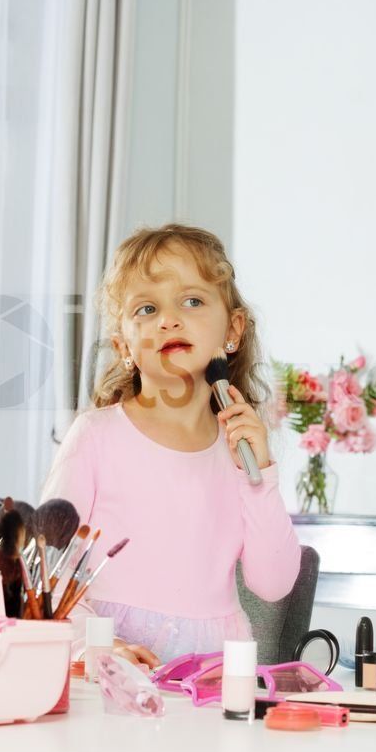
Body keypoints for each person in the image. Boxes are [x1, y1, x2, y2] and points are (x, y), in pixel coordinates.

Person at [41, 224, 300, 665]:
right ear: (124, 345)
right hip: (112, 662)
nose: (168, 319)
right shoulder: (96, 438)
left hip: (212, 668)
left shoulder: (238, 454)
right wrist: (95, 646)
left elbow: (273, 584)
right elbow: (46, 570)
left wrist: (261, 478)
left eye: (193, 301)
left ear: (233, 329)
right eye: (146, 308)